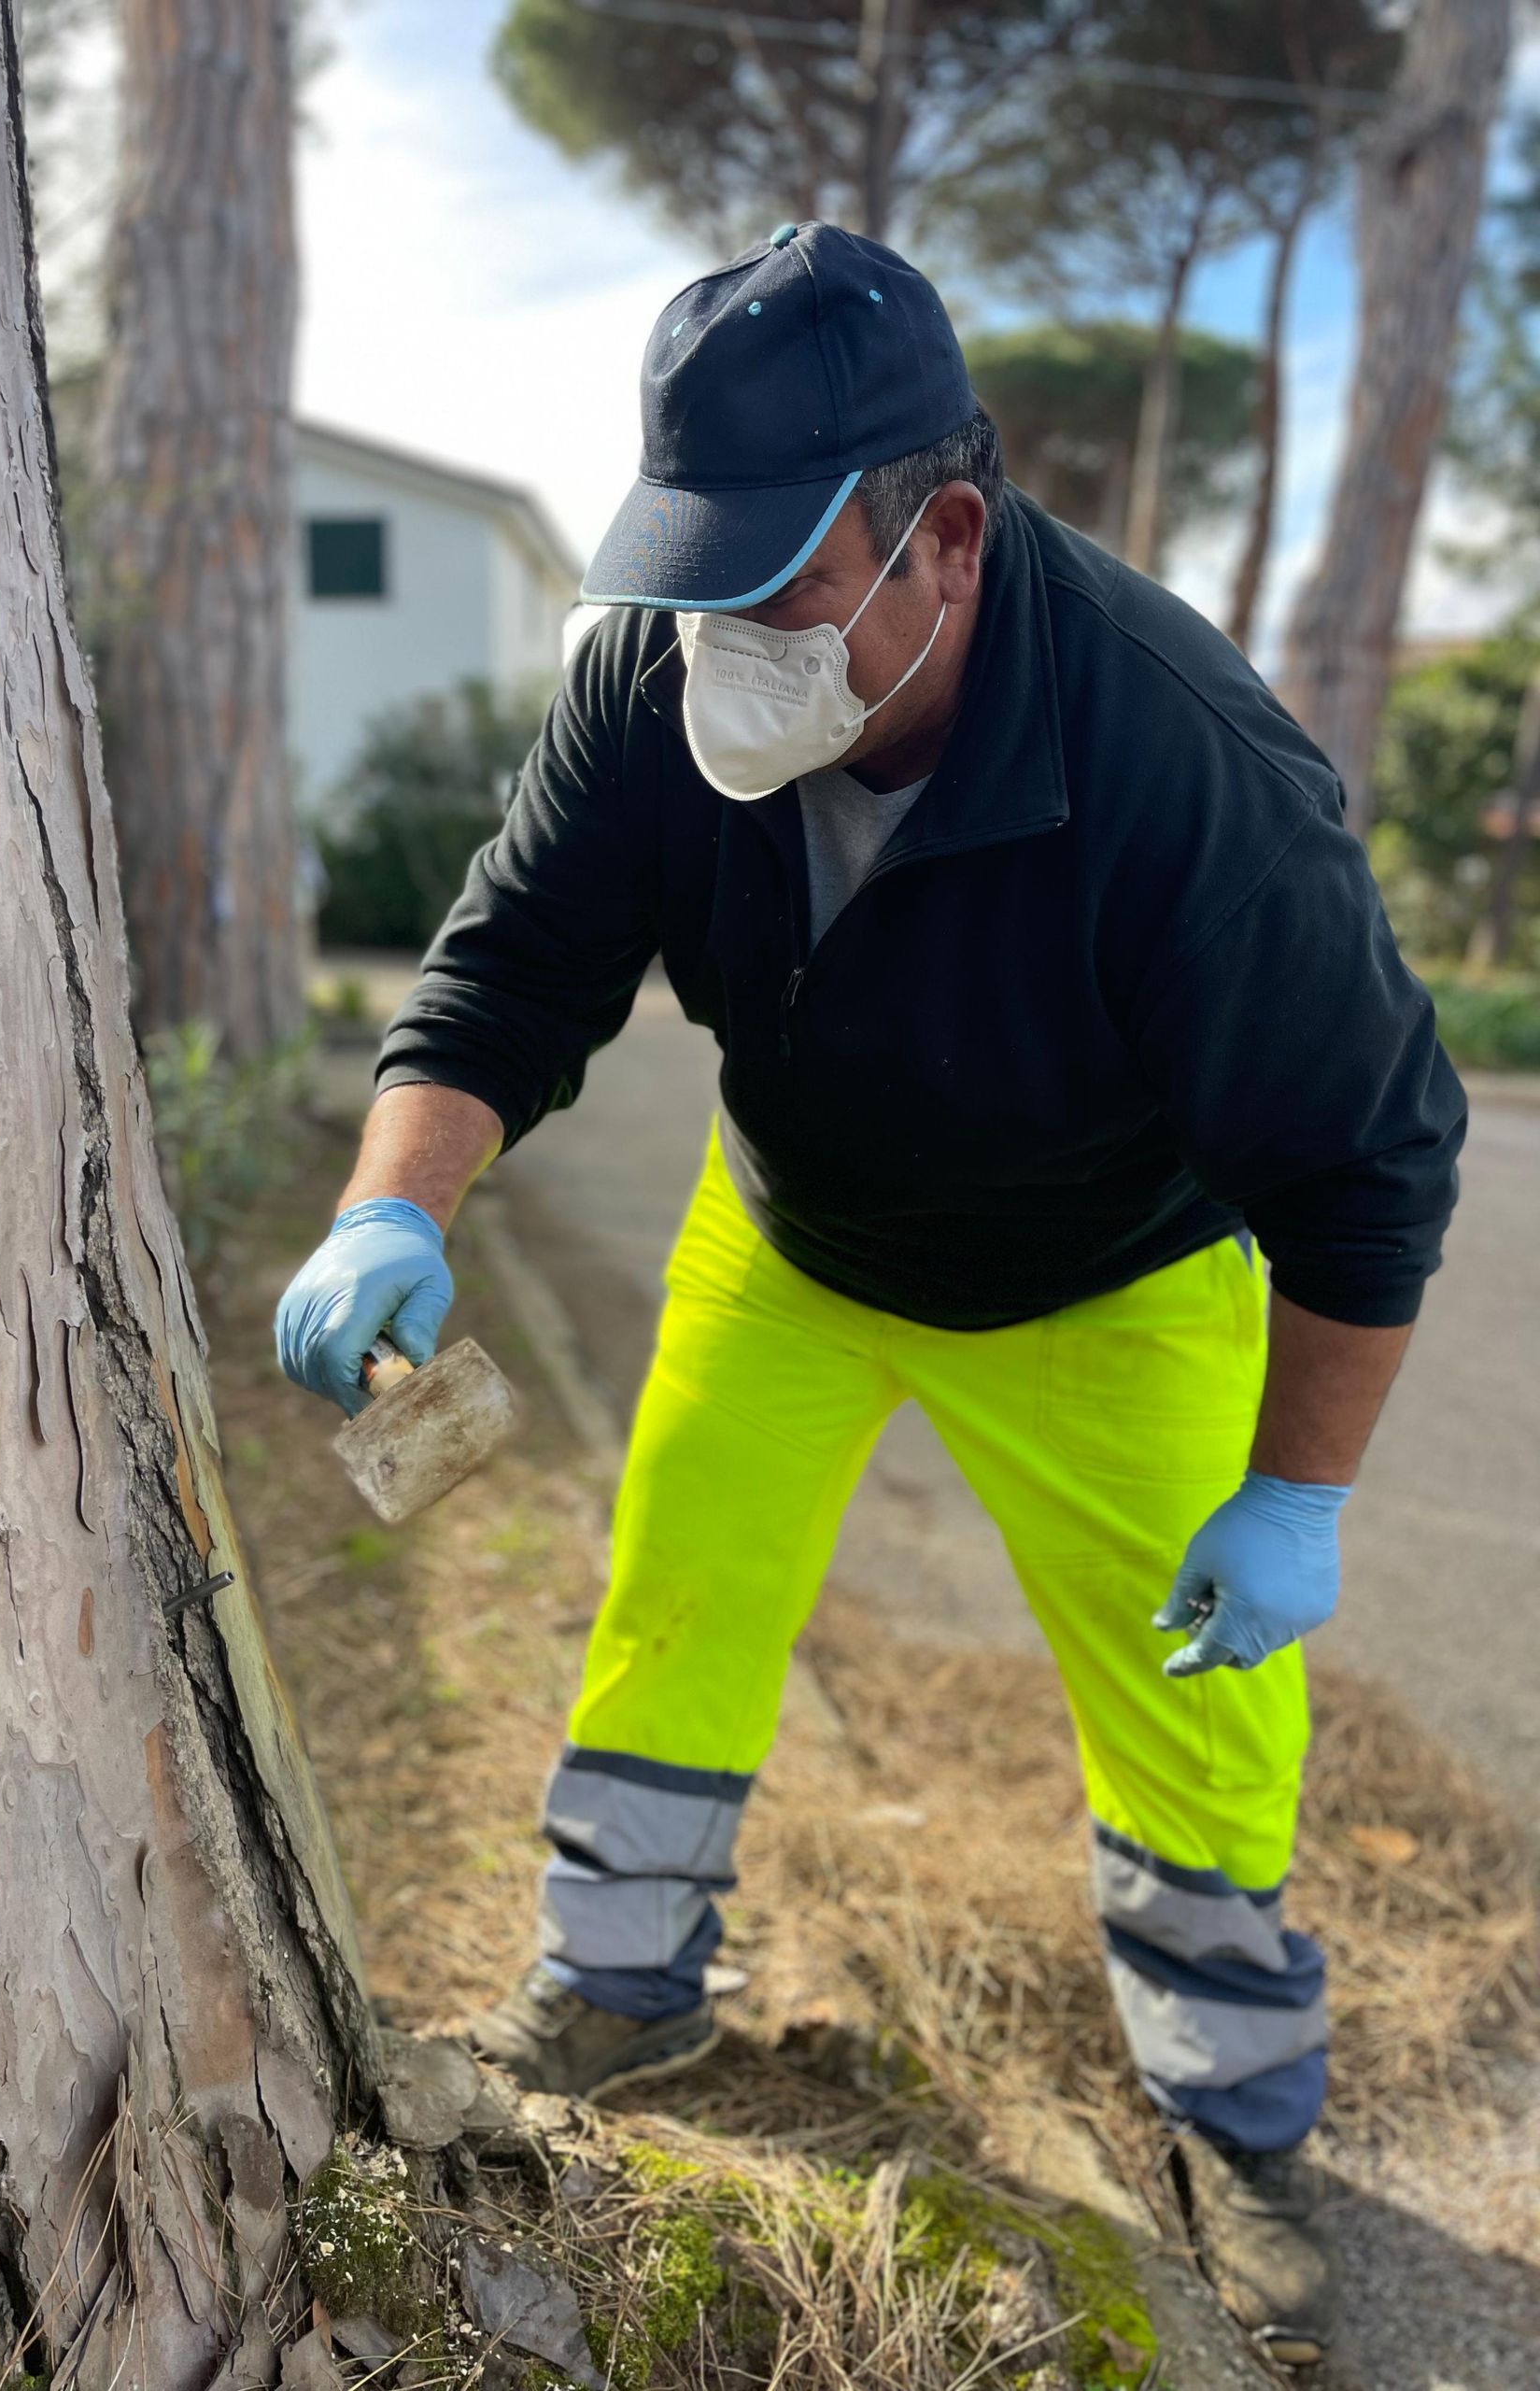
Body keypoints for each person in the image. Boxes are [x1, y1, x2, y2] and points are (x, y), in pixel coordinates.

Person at [275, 224, 1464, 2366]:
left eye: (782, 583)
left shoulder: (1180, 763)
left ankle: (1238, 2113)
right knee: (679, 1587)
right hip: (797, 1239)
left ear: (946, 536)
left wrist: (1302, 1490)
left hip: (1110, 1277)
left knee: (1204, 1703)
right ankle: (619, 1984)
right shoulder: (661, 676)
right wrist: (397, 1207)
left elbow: (1374, 1159)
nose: (725, 637)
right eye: (692, 576)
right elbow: (509, 963)